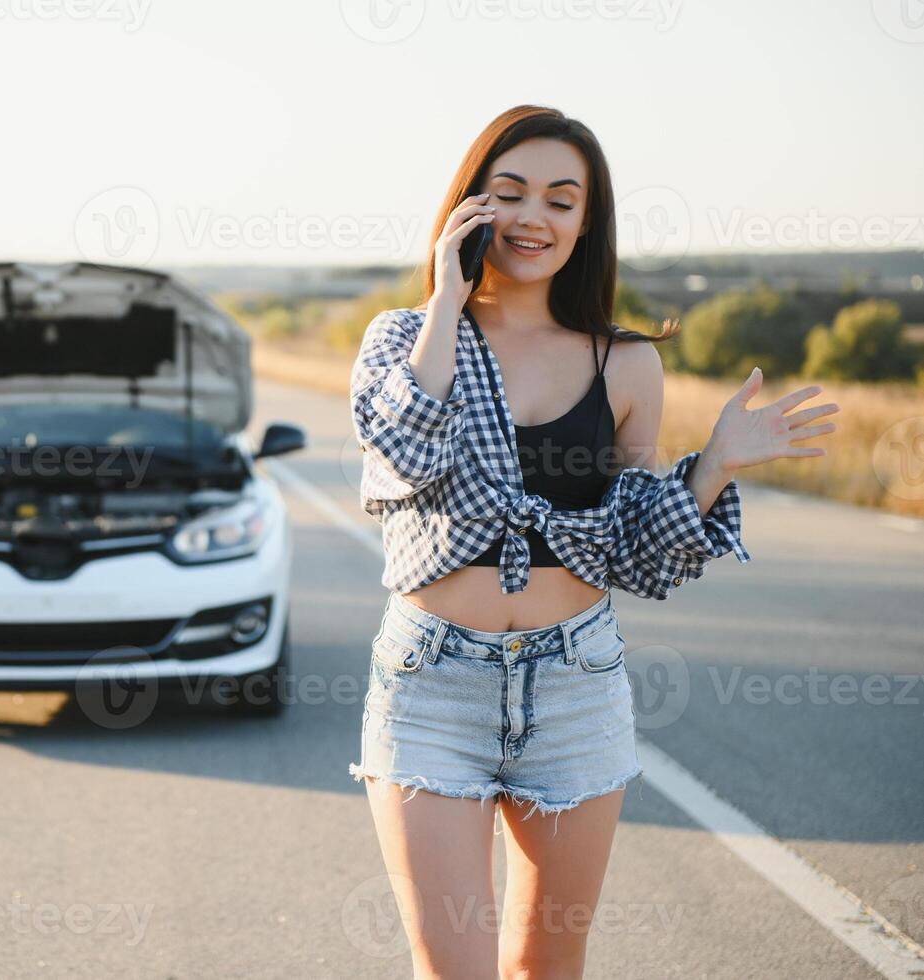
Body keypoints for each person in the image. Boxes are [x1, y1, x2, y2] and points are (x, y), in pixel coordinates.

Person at [346, 104, 840, 980]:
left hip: (574, 686)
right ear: (469, 206)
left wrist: (714, 466)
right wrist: (446, 299)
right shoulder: (402, 337)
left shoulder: (625, 361)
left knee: (546, 965)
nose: (534, 217)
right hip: (430, 686)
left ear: (586, 221)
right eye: (510, 193)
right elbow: (400, 457)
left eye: (561, 199)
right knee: (448, 966)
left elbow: (632, 549)